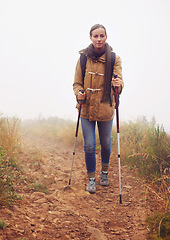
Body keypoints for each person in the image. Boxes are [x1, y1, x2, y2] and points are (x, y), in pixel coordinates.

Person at [73, 24, 123, 194]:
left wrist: (118, 84)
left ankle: (105, 173)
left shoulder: (114, 59)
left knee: (106, 144)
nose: (99, 39)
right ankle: (91, 179)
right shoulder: (83, 58)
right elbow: (77, 83)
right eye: (96, 36)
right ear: (90, 38)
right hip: (86, 107)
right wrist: (78, 93)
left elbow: (120, 81)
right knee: (89, 146)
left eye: (102, 36)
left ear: (106, 37)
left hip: (106, 108)